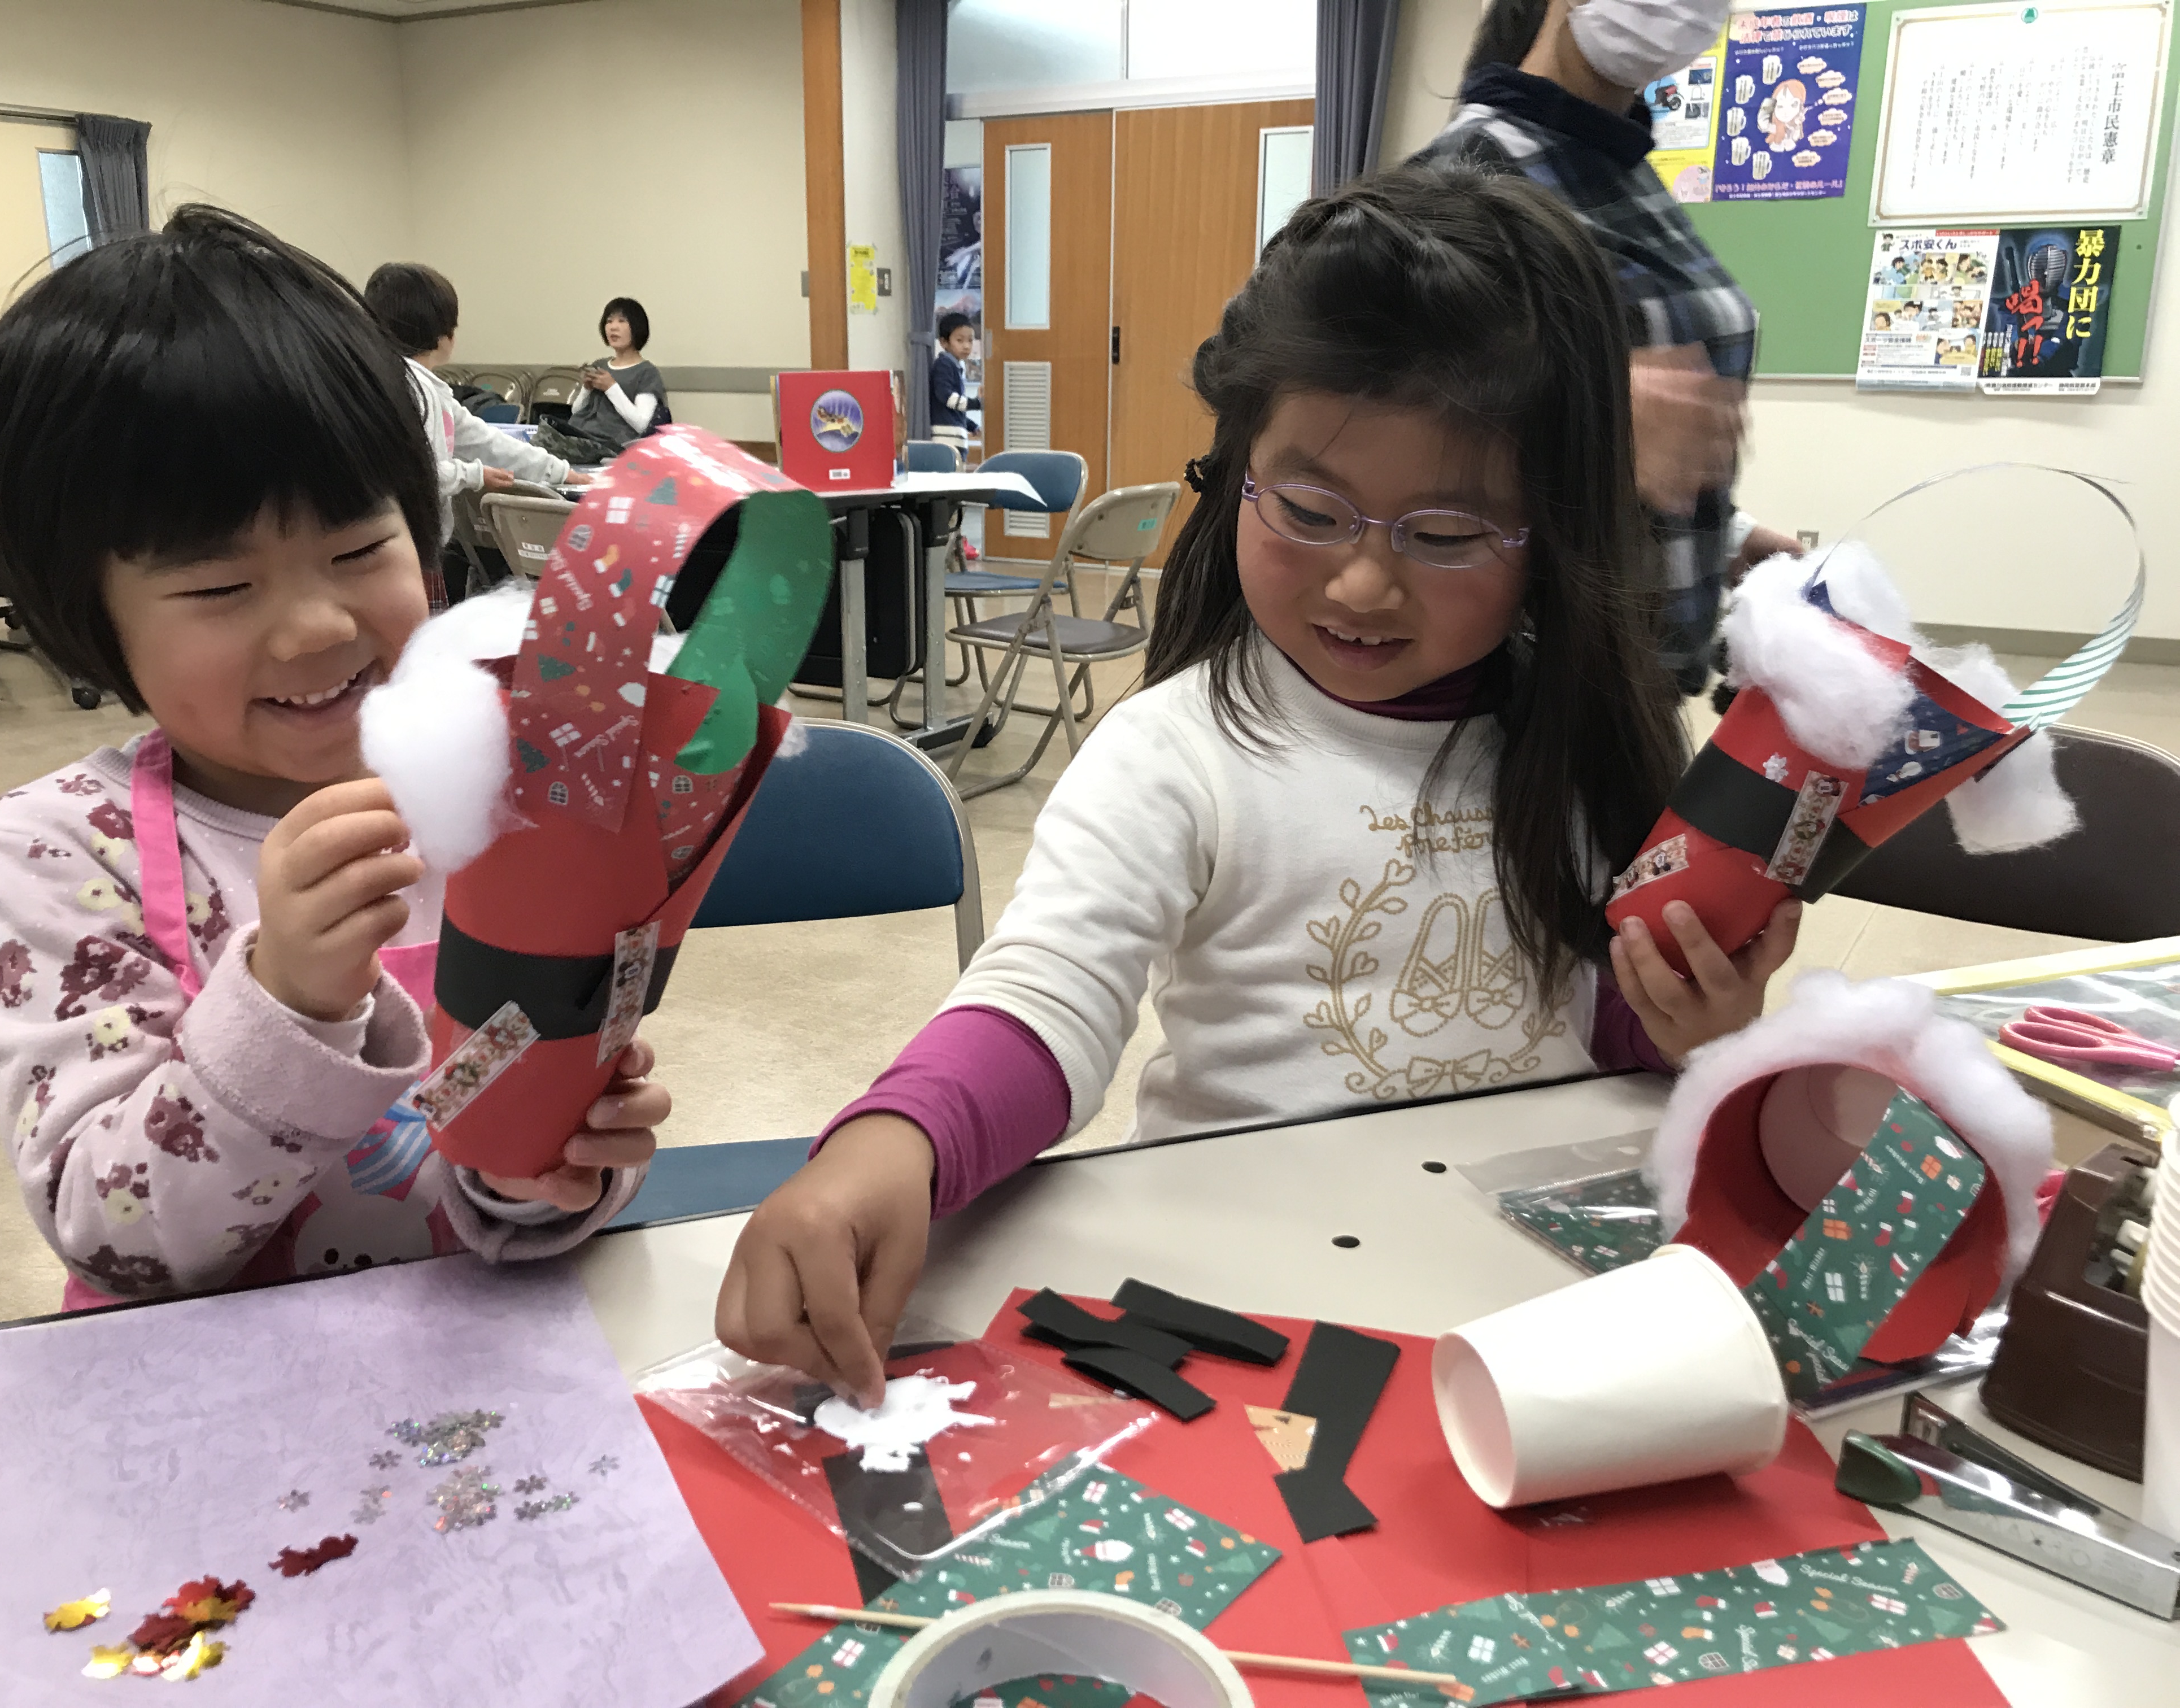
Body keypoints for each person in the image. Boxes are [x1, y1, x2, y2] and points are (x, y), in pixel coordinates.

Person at [713, 167, 1802, 1403]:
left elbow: (1600, 1046)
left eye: (1445, 535)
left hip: (1528, 1317)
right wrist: (889, 1143)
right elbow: (1047, 997)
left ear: (1550, 533)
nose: (1360, 586)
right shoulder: (1179, 751)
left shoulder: (1577, 746)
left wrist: (1693, 1030)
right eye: (1308, 508)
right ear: (1235, 471)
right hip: (1254, 1306)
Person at [0, 206, 664, 1308]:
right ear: (88, 617)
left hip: (480, 1382)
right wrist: (285, 998)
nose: (319, 625)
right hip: (205, 1410)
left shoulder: (498, 793)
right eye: (222, 586)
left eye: (359, 547)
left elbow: (511, 1090)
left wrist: (538, 1169)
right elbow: (110, 1232)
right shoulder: (49, 855)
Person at [1410, 0, 1800, 695]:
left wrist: (1723, 533)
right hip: (1518, 690)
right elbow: (1355, 412)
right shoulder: (1466, 174)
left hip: (1630, 685)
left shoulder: (1612, 166)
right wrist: (1586, 410)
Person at [363, 261, 588, 608]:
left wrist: (563, 472)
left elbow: (486, 440)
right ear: (446, 336)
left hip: (400, 549)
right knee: (413, 653)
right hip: (403, 555)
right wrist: (474, 474)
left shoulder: (419, 387)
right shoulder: (409, 389)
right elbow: (414, 475)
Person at [535, 297, 668, 464]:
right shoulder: (600, 365)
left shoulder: (646, 373)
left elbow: (641, 424)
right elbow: (577, 411)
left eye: (622, 321)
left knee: (542, 449)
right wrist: (587, 389)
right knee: (539, 439)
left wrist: (611, 388)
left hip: (610, 445)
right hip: (578, 435)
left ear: (637, 327)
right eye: (609, 321)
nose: (613, 327)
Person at [931, 312, 977, 439]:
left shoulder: (954, 366)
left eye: (970, 341)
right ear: (944, 342)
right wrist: (976, 403)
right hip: (946, 437)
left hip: (954, 436)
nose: (967, 346)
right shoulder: (944, 365)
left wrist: (970, 425)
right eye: (960, 341)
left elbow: (953, 411)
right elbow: (946, 397)